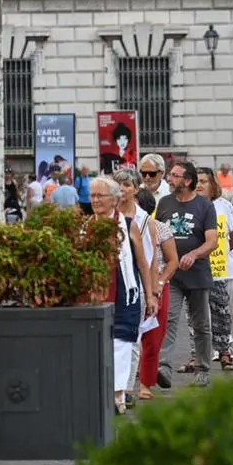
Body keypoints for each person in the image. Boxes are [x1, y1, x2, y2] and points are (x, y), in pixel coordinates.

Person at [89, 177, 158, 414]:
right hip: (93, 289)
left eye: (101, 196)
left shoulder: (129, 225)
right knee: (95, 341)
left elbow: (143, 263)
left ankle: (118, 393)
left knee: (122, 341)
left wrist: (150, 295)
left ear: (115, 199)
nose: (95, 200)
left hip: (124, 289)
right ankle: (99, 390)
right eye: (92, 196)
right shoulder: (84, 226)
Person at [155, 162, 218, 388]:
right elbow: (156, 233)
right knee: (168, 319)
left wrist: (194, 254)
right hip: (171, 274)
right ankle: (163, 367)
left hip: (197, 274)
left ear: (187, 181)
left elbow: (212, 241)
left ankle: (202, 367)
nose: (170, 179)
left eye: (174, 176)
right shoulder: (164, 203)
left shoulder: (205, 206)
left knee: (201, 323)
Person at [175, 167, 233, 372]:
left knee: (221, 313)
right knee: (195, 316)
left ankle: (225, 352)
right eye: (197, 180)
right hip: (193, 272)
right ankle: (198, 356)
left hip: (219, 270)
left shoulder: (224, 206)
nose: (200, 184)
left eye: (205, 181)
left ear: (213, 185)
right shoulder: (186, 205)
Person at [132, 189, 178, 402]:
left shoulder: (160, 229)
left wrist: (159, 282)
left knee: (153, 336)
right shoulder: (121, 226)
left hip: (157, 286)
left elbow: (172, 261)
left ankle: (145, 383)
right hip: (132, 284)